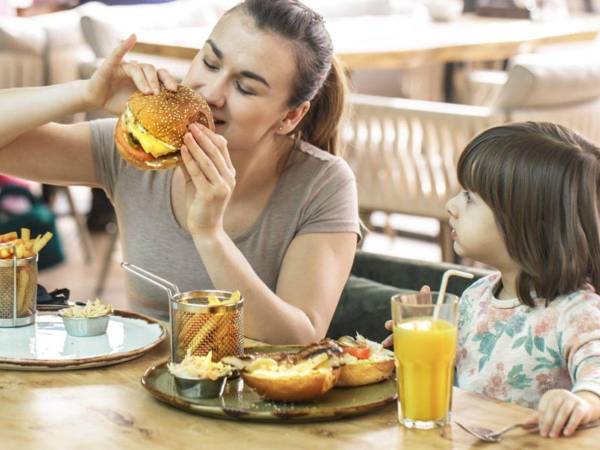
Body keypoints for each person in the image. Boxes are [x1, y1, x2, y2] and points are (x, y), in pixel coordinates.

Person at [0, 0, 360, 344]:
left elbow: (299, 336)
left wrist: (209, 234)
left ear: (290, 116)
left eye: (245, 87)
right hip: (139, 387)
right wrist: (85, 94)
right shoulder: (139, 150)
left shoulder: (323, 183)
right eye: (210, 62)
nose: (212, 93)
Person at [384, 122, 600, 438]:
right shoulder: (475, 297)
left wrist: (581, 402)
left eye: (470, 198)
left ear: (525, 219)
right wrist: (415, 343)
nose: (451, 205)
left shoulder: (577, 312)